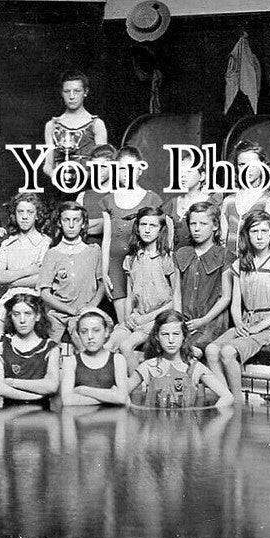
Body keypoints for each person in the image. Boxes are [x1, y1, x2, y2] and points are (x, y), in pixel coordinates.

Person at [206, 211, 270, 397]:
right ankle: (226, 397)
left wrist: (258, 327)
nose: (259, 236)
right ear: (247, 234)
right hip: (246, 323)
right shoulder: (240, 265)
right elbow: (235, 304)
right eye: (254, 231)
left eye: (264, 231)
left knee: (228, 351)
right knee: (211, 350)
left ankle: (236, 401)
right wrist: (239, 324)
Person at [108, 206, 180, 370]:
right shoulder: (131, 259)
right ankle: (117, 388)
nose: (147, 230)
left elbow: (175, 300)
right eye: (143, 225)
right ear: (137, 227)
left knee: (126, 346)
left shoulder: (167, 259)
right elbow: (130, 294)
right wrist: (128, 317)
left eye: (152, 226)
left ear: (161, 230)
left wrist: (145, 319)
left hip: (158, 318)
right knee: (108, 346)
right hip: (136, 317)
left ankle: (139, 387)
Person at [100, 145, 163, 324]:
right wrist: (104, 273)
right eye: (122, 168)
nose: (126, 173)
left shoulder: (152, 199)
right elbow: (107, 240)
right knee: (124, 323)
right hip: (116, 267)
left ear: (140, 171)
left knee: (143, 320)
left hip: (143, 267)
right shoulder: (108, 200)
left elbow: (158, 236)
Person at [0, 190, 51, 357]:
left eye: (30, 212)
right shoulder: (8, 243)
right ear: (15, 215)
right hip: (10, 298)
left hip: (36, 298)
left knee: (32, 345)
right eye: (20, 212)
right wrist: (30, 270)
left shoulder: (44, 242)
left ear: (37, 215)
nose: (24, 216)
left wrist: (13, 278)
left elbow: (42, 278)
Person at [133, 310, 233, 408]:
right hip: (154, 423)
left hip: (186, 423)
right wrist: (138, 414)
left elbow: (227, 397)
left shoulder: (195, 367)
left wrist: (212, 422)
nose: (171, 340)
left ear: (184, 336)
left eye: (176, 334)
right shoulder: (148, 366)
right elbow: (123, 395)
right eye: (165, 334)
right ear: (157, 336)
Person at [37, 201, 104, 344]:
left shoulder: (93, 250)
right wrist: (69, 310)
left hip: (85, 311)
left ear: (83, 223)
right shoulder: (52, 253)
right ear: (60, 223)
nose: (71, 225)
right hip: (58, 313)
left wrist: (91, 306)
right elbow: (44, 293)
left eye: (76, 220)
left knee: (85, 344)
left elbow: (102, 285)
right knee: (49, 349)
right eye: (66, 220)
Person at [175, 201, 234, 354]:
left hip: (211, 322)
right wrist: (177, 320)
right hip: (184, 321)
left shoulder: (224, 256)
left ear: (215, 226)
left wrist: (203, 320)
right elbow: (176, 292)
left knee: (190, 352)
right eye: (193, 223)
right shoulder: (181, 254)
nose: (197, 228)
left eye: (203, 223)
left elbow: (226, 298)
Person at [0, 291, 60, 407]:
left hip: (42, 413)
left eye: (28, 313)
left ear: (37, 316)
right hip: (11, 413)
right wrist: (34, 397)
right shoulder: (0, 346)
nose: (22, 320)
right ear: (10, 317)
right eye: (16, 314)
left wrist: (12, 382)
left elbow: (51, 386)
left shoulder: (51, 348)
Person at [43, 71, 108, 190]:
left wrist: (80, 177)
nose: (72, 96)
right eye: (67, 91)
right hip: (60, 187)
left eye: (77, 91)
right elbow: (48, 165)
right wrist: (58, 177)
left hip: (88, 187)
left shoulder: (96, 124)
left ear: (85, 92)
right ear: (61, 93)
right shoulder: (52, 125)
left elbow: (102, 164)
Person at [58, 308, 128, 407]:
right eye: (84, 331)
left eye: (96, 330)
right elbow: (68, 401)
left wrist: (83, 390)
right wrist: (111, 397)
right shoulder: (71, 362)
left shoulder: (118, 359)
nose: (90, 336)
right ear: (78, 334)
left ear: (106, 332)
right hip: (81, 419)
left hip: (112, 419)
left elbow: (122, 398)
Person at [220, 141, 270, 255]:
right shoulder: (229, 201)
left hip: (254, 263)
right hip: (230, 265)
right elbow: (223, 240)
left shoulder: (268, 199)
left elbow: (268, 238)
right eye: (242, 164)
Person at [163, 158, 223, 252]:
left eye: (189, 171)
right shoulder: (171, 203)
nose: (183, 175)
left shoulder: (212, 204)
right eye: (180, 171)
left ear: (202, 176)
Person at [77, 144, 117, 247]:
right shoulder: (83, 195)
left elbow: (114, 226)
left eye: (103, 166)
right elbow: (73, 226)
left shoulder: (118, 194)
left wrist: (84, 226)